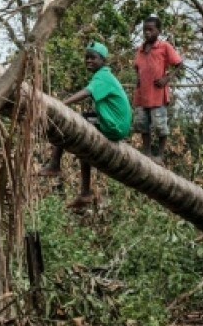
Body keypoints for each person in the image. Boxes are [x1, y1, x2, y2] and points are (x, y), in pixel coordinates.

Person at [38, 42, 132, 209]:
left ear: (103, 60)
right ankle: (85, 192)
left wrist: (61, 104)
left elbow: (87, 92)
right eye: (86, 58)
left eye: (92, 58)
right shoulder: (104, 76)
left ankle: (54, 164)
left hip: (114, 126)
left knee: (69, 127)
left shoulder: (103, 76)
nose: (88, 61)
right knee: (84, 141)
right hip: (115, 125)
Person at [133, 16, 183, 163]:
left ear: (158, 31)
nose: (147, 33)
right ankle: (147, 153)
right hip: (142, 94)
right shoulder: (141, 49)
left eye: (150, 30)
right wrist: (138, 81)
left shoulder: (164, 46)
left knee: (160, 126)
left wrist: (166, 78)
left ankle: (160, 155)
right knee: (142, 124)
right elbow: (138, 67)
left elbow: (179, 64)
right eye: (145, 30)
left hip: (157, 95)